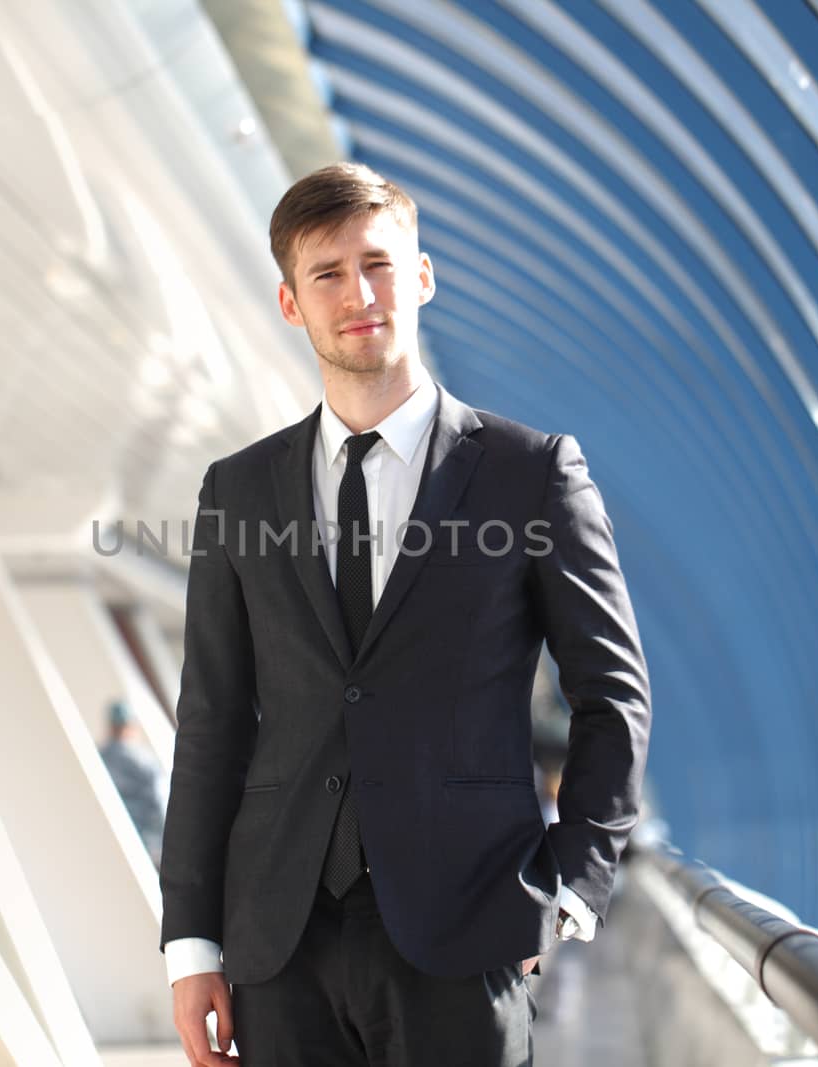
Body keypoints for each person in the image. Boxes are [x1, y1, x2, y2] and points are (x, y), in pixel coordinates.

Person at [159, 163, 651, 1066]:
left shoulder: (531, 473)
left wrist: (572, 883)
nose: (359, 294)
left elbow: (611, 693)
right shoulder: (238, 489)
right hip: (279, 943)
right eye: (327, 274)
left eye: (379, 264)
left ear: (421, 276)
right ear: (290, 302)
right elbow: (212, 721)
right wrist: (192, 944)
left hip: (468, 929)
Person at [99, 699, 166, 866]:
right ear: (132, 725)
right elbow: (159, 799)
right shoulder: (142, 759)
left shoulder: (101, 757)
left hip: (121, 838)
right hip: (150, 840)